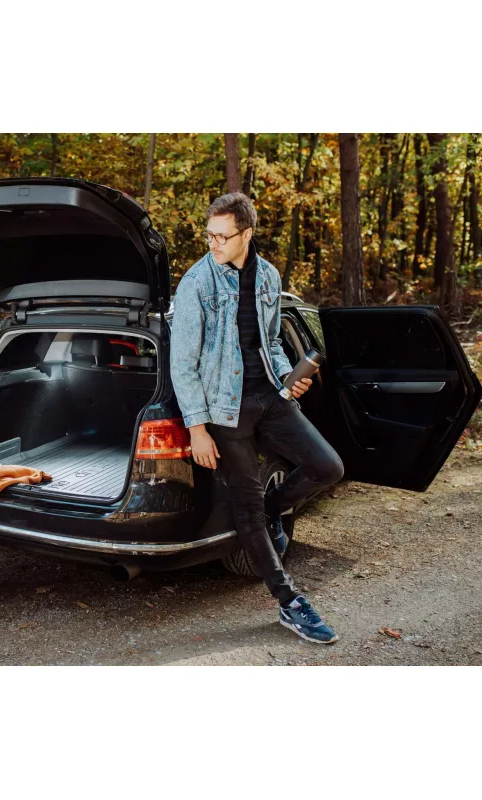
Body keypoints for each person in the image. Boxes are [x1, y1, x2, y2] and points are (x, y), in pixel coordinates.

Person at [170, 192, 344, 644]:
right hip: (225, 409)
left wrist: (288, 376)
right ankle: (289, 601)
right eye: (209, 235)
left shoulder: (268, 275)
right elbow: (182, 363)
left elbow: (271, 340)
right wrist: (197, 429)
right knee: (244, 506)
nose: (213, 244)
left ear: (246, 234)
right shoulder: (196, 283)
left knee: (328, 467)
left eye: (222, 236)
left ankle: (271, 510)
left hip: (271, 395)